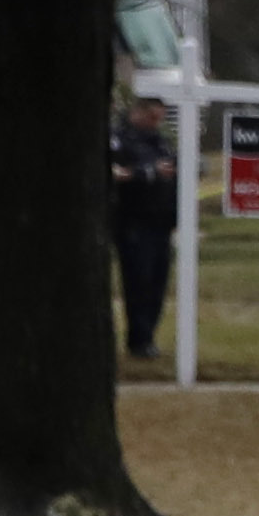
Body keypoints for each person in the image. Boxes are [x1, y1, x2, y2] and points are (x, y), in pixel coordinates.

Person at [108, 94, 179, 360]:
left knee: (158, 284)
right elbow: (114, 173)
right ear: (137, 112)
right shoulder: (120, 139)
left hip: (161, 224)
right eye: (151, 117)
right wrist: (148, 172)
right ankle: (138, 340)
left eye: (159, 118)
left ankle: (149, 337)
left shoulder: (161, 142)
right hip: (134, 223)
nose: (155, 123)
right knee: (139, 282)